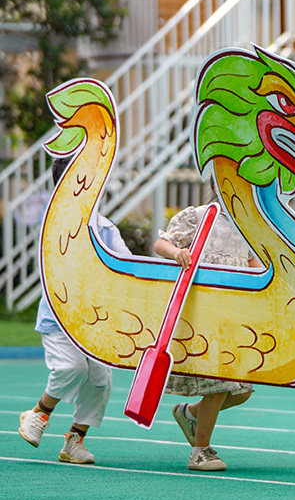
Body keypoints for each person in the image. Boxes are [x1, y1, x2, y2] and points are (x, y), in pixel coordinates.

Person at [18, 157, 132, 464]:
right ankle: (40, 413)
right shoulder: (53, 224)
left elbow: (126, 266)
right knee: (72, 368)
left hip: (96, 320)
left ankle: (74, 441)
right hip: (59, 316)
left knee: (100, 379)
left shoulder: (105, 228)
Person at [156, 194, 260, 472]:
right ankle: (200, 451)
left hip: (232, 314)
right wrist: (177, 253)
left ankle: (189, 415)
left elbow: (251, 264)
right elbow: (161, 243)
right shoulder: (200, 215)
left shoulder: (248, 224)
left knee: (241, 392)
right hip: (203, 309)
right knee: (218, 385)